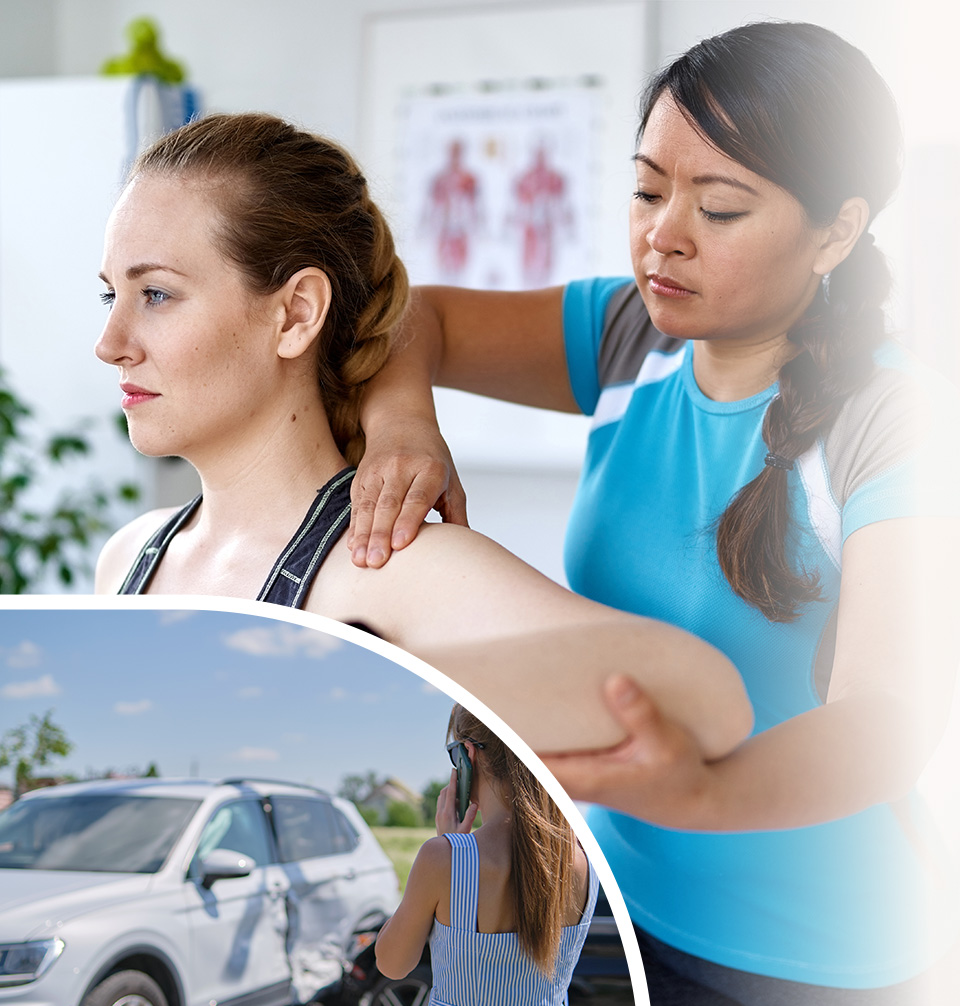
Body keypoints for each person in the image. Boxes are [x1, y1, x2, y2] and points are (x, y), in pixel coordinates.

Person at [346, 21, 960, 1006]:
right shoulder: (632, 337)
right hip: (636, 918)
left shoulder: (892, 421)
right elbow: (415, 318)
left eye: (719, 209)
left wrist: (705, 794)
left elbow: (888, 719)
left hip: (837, 956)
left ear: (836, 230)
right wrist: (405, 424)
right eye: (646, 190)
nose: (662, 237)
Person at [92, 111, 751, 762]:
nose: (109, 344)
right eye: (109, 296)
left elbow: (705, 702)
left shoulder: (399, 571)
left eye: (156, 295)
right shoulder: (129, 558)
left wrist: (396, 684)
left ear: (295, 315)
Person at [375, 705, 615, 1006]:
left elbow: (392, 964)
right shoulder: (585, 862)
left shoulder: (444, 859)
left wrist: (448, 847)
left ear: (469, 755)